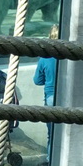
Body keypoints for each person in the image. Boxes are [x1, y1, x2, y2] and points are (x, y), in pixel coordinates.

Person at [33, 25, 60, 156]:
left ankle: (51, 161)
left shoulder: (45, 58)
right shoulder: (70, 56)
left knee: (52, 134)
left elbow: (37, 80)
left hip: (51, 96)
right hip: (68, 95)